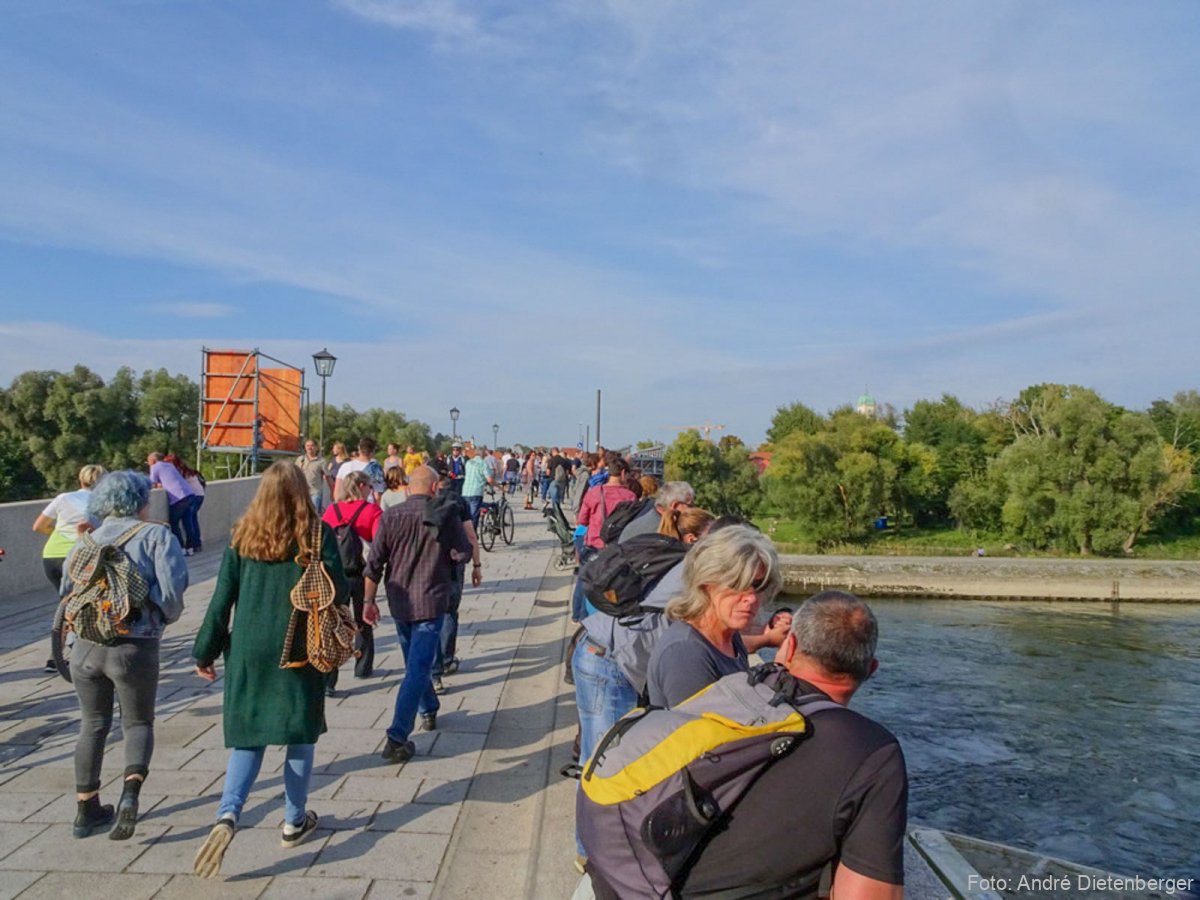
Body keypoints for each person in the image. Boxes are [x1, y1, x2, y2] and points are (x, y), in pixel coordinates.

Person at [635, 591, 908, 900]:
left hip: (650, 878)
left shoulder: (730, 693)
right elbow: (869, 894)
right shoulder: (874, 752)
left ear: (788, 647)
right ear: (871, 669)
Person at [191, 462, 350, 878]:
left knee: (250, 736)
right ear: (302, 492)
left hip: (249, 648)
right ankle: (294, 821)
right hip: (300, 645)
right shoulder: (317, 535)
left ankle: (228, 815)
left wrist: (203, 651)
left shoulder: (242, 537)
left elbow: (221, 600)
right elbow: (340, 592)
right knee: (300, 734)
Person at [571, 507, 715, 868]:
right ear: (696, 539)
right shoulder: (688, 573)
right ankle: (592, 854)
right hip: (607, 660)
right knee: (606, 759)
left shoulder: (670, 554)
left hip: (598, 647)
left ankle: (592, 847)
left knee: (597, 751)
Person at [62, 470, 188, 840]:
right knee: (137, 723)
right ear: (141, 501)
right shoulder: (156, 536)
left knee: (92, 724)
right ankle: (129, 796)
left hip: (85, 647)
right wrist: (160, 618)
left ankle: (86, 810)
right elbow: (172, 594)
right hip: (135, 644)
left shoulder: (86, 540)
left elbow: (67, 593)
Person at [363, 466, 473, 763]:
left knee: (416, 662)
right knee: (417, 667)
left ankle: (429, 707)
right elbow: (464, 551)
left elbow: (374, 564)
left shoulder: (390, 516)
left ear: (409, 488)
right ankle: (397, 736)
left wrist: (368, 600)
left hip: (400, 602)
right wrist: (452, 556)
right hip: (431, 600)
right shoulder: (445, 516)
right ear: (435, 488)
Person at [645, 524, 784, 709]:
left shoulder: (729, 637)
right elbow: (699, 733)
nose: (751, 598)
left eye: (759, 586)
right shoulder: (686, 652)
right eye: (737, 584)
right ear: (706, 585)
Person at [33, 464, 105, 671]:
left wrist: (61, 535)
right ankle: (59, 656)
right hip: (79, 555)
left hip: (52, 555)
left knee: (65, 602)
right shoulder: (103, 502)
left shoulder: (63, 498)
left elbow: (38, 526)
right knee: (83, 603)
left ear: (80, 480)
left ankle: (60, 648)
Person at [323, 470, 383, 689]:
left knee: (334, 625)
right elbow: (379, 546)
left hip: (334, 576)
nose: (371, 490)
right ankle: (363, 667)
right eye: (368, 486)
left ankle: (329, 679)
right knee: (362, 621)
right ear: (360, 486)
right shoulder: (372, 511)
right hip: (361, 574)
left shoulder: (331, 511)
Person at [427, 471, 483, 692]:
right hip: (454, 562)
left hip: (429, 562)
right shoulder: (458, 502)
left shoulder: (425, 501)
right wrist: (477, 565)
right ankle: (447, 658)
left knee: (431, 614)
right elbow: (471, 535)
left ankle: (433, 665)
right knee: (450, 611)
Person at [572, 456, 637, 621]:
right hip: (616, 548)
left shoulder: (594, 493)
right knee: (611, 585)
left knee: (585, 581)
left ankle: (579, 615)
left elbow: (582, 520)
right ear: (623, 473)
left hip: (593, 544)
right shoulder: (630, 497)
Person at [147, 451, 200, 554]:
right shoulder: (169, 465)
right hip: (189, 494)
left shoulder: (155, 467)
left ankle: (181, 548)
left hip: (178, 498)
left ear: (153, 460)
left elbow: (151, 483)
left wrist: (151, 469)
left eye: (148, 461)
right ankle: (191, 547)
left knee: (173, 523)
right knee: (187, 522)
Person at [617, 480, 694, 543]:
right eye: (690, 506)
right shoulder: (664, 532)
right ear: (675, 505)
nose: (693, 511)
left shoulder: (635, 525)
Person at [165, 453, 206, 554]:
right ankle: (196, 544)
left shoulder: (178, 471)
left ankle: (191, 545)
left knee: (188, 521)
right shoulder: (187, 469)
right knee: (193, 520)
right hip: (199, 495)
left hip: (191, 496)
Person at [461, 445, 490, 529]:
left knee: (466, 515)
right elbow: (490, 479)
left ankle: (465, 534)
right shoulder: (483, 463)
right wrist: (499, 487)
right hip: (476, 492)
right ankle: (472, 535)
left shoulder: (468, 462)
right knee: (474, 515)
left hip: (465, 491)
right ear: (483, 454)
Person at [296, 439, 327, 512]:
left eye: (312, 445)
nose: (310, 447)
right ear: (305, 447)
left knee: (313, 514)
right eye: (308, 446)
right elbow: (294, 474)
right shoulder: (300, 459)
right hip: (301, 492)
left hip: (315, 493)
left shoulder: (322, 461)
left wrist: (332, 491)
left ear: (316, 447)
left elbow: (328, 477)